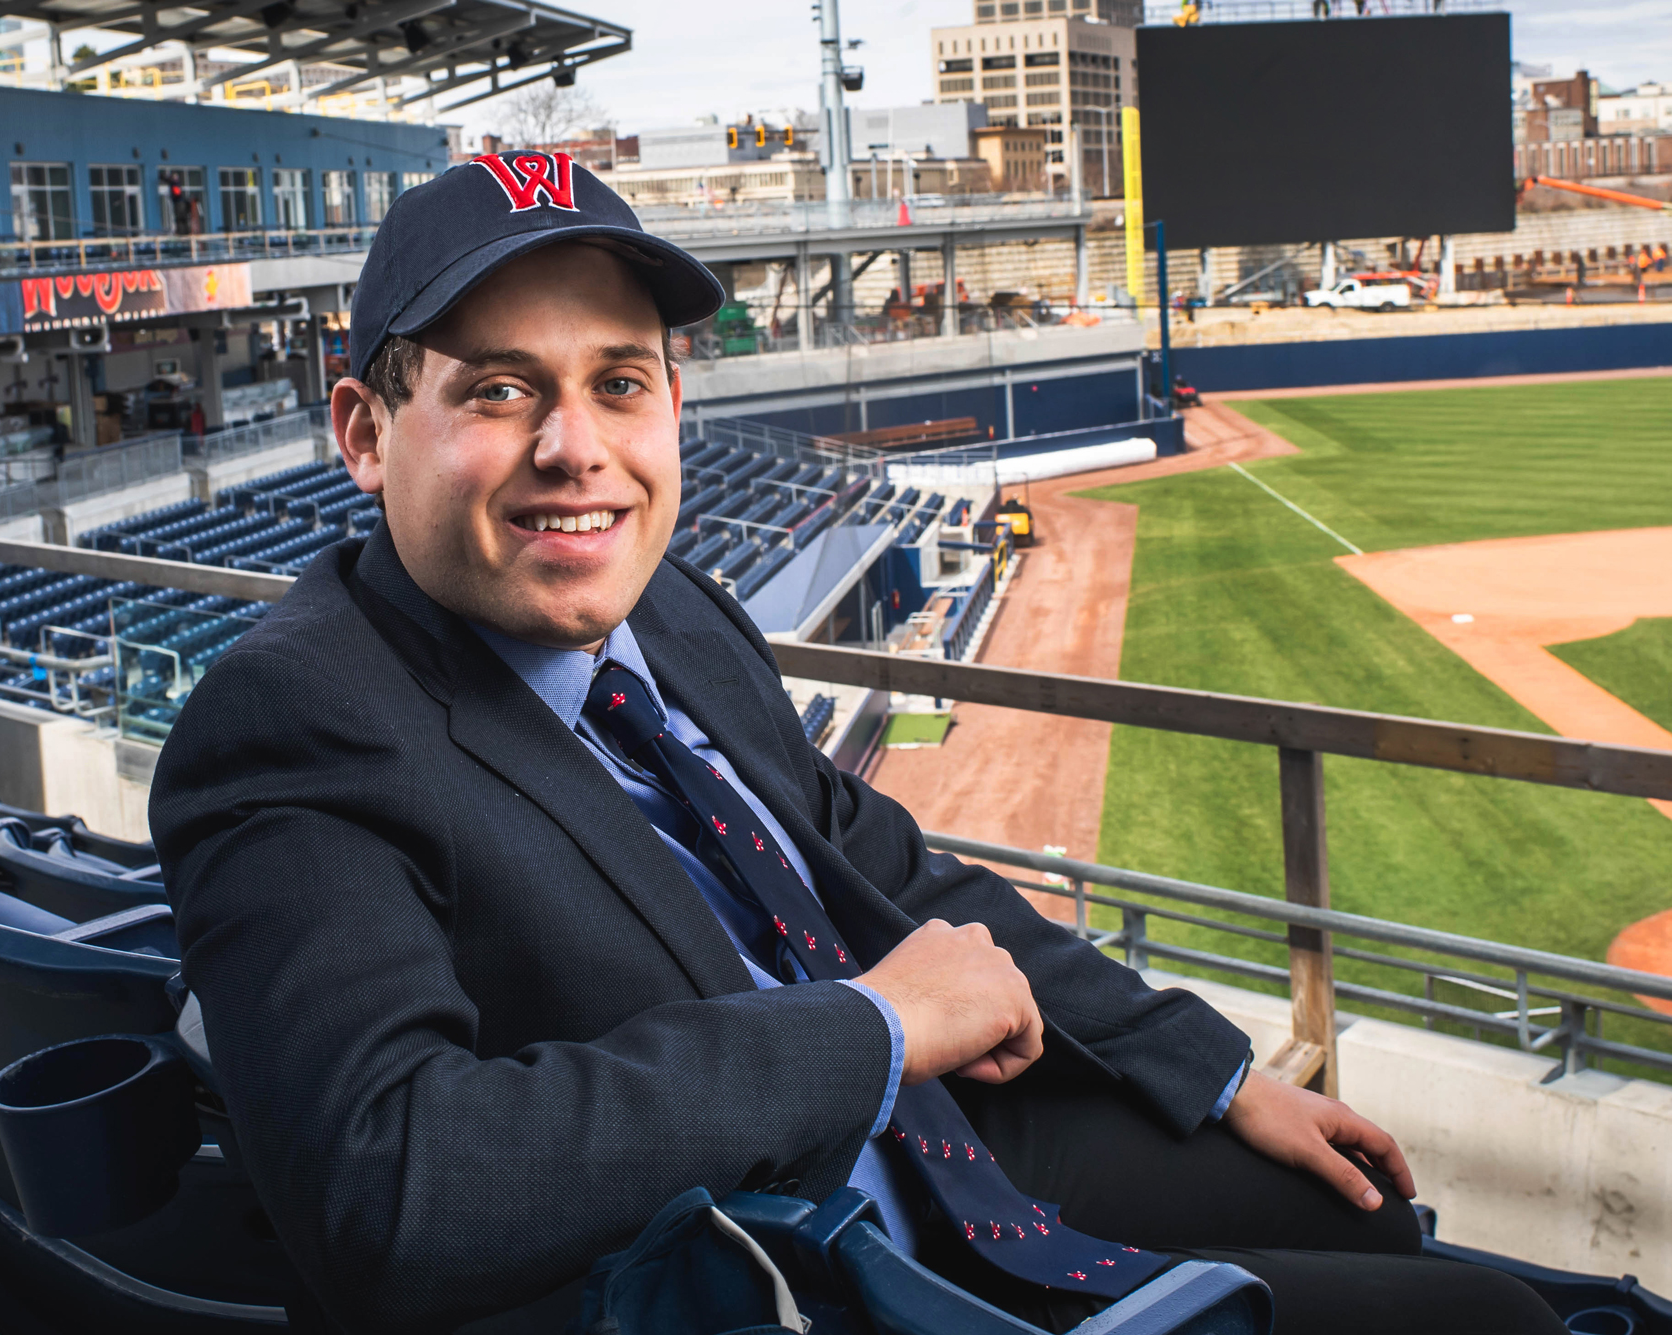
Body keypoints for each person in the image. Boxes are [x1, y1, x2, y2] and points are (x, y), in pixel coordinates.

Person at [150, 151, 1565, 1335]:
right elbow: (389, 1190)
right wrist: (874, 1028)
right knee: (1492, 1328)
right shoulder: (295, 726)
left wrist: (1209, 1070)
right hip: (790, 1273)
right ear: (363, 429)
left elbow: (892, 870)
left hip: (949, 1147)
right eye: (501, 389)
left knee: (1367, 1222)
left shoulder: (678, 618)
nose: (576, 447)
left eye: (621, 382)